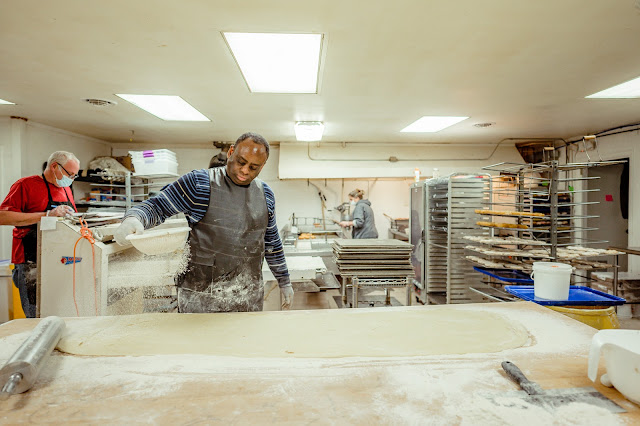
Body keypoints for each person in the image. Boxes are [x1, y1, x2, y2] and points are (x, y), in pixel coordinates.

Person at [114, 132, 293, 313]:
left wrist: (284, 281)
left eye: (254, 167)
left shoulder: (265, 194)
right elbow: (157, 206)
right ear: (231, 152)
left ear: (262, 167)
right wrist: (134, 218)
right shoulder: (199, 184)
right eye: (241, 162)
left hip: (247, 298)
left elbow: (272, 242)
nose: (245, 170)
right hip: (201, 299)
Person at [0, 151, 79, 317]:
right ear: (54, 166)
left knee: (59, 314)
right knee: (36, 316)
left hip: (59, 260)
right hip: (31, 262)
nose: (71, 179)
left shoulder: (66, 189)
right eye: (69, 174)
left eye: (74, 175)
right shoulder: (25, 185)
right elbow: (3, 216)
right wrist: (46, 215)